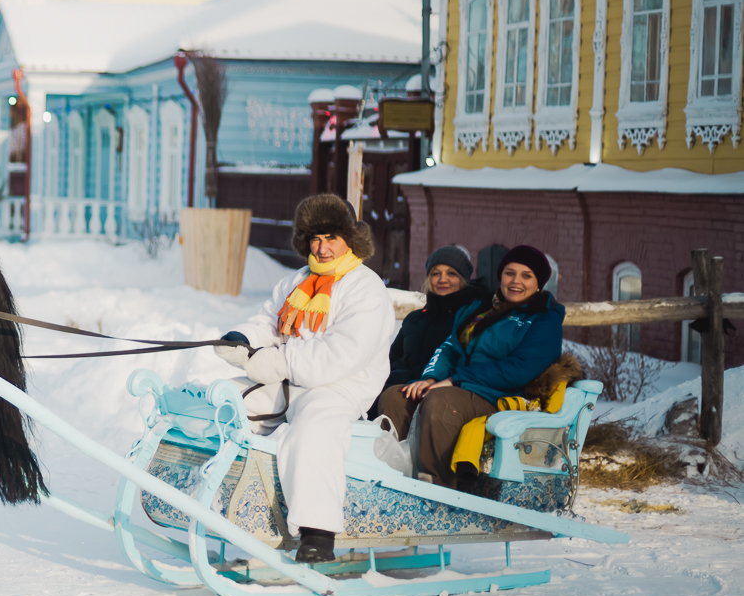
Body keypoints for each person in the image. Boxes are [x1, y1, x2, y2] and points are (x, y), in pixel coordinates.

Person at [214, 194, 395, 564]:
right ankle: (223, 500)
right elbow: (269, 322)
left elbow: (342, 353)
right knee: (226, 401)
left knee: (314, 430)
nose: (322, 247)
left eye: (331, 238)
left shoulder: (365, 287)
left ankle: (318, 534)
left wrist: (281, 362)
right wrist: (242, 339)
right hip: (290, 379)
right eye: (315, 238)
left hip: (340, 387)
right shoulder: (298, 280)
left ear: (350, 239)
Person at [378, 244, 565, 487]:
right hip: (463, 388)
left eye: (526, 276)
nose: (515, 281)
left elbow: (519, 369)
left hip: (500, 397)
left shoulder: (543, 318)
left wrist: (455, 379)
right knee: (397, 396)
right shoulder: (480, 308)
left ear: (539, 283)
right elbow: (449, 347)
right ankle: (395, 475)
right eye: (510, 273)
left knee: (441, 402)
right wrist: (432, 377)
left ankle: (438, 485)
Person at [380, 246, 486, 394]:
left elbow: (460, 363)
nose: (442, 279)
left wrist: (406, 377)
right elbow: (390, 359)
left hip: (437, 391)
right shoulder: (414, 318)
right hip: (396, 385)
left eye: (451, 273)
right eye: (436, 273)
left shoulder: (469, 319)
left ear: (463, 280)